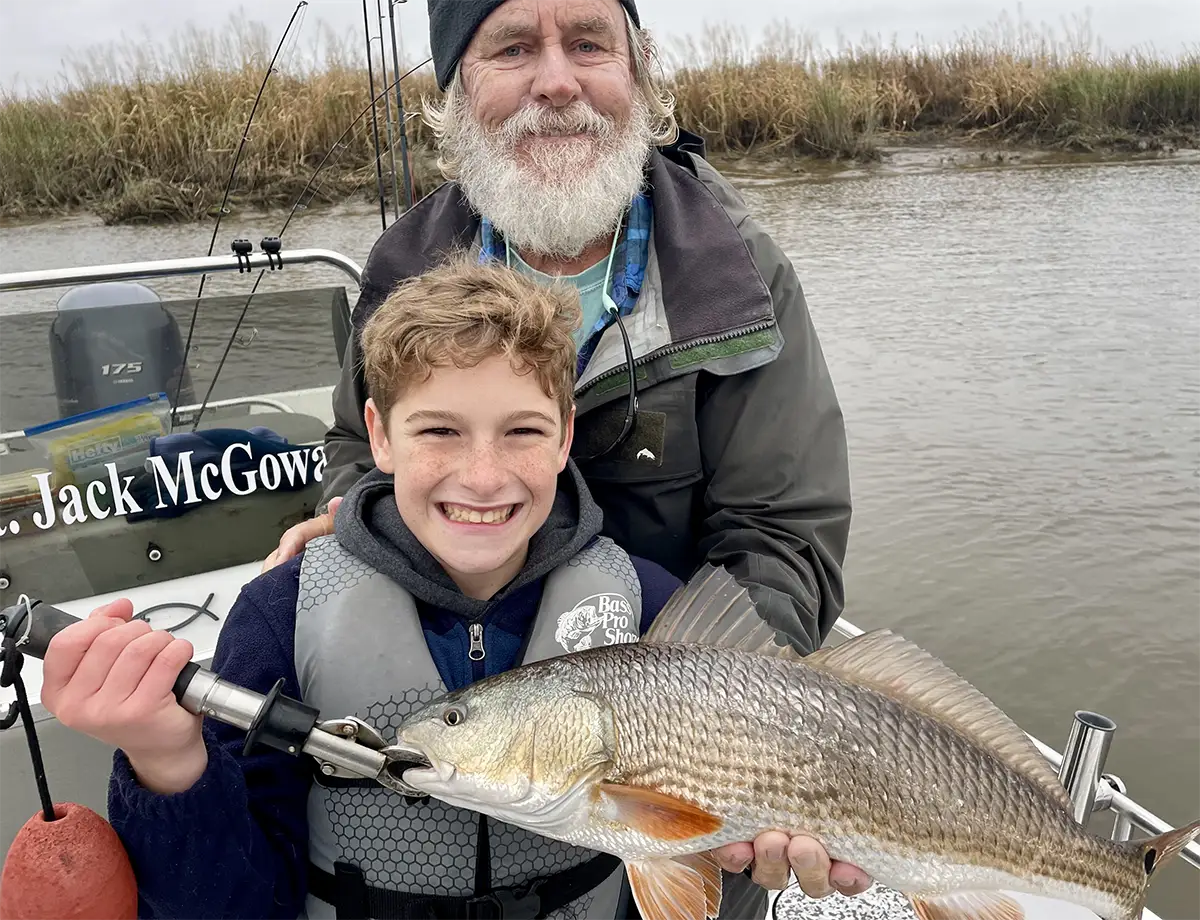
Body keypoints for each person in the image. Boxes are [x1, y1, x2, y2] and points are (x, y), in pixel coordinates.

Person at [263, 0, 869, 911]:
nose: (556, 79)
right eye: (513, 47)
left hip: (690, 771)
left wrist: (727, 743)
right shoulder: (402, 264)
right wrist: (356, 522)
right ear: (456, 88)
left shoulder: (740, 273)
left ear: (638, 71)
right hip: (470, 741)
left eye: (589, 42)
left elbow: (784, 536)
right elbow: (359, 441)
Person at [39, 260, 689, 920]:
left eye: (523, 430)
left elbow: (692, 844)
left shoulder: (651, 603)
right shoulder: (278, 618)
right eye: (440, 430)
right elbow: (232, 905)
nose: (485, 477)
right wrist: (166, 761)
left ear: (564, 437)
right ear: (378, 434)